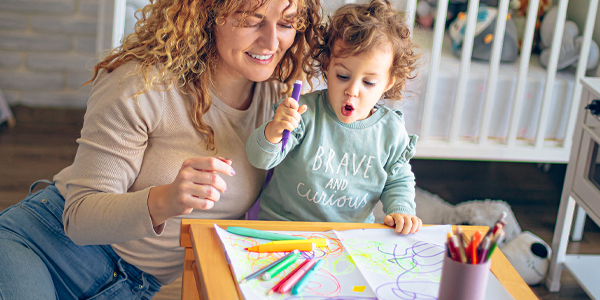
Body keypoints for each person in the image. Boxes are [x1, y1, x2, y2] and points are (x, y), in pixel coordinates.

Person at [0, 0, 321, 298]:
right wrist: (166, 199)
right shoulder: (141, 86)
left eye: (287, 23)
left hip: (133, 287)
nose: (271, 42)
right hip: (45, 246)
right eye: (253, 20)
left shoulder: (283, 101)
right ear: (210, 13)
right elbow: (79, 217)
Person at [246, 0, 422, 234]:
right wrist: (274, 133)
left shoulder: (391, 131)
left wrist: (401, 209)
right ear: (327, 66)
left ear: (388, 82)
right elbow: (259, 160)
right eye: (342, 76)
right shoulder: (304, 113)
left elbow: (398, 180)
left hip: (348, 238)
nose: (353, 90)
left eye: (368, 82)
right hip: (283, 229)